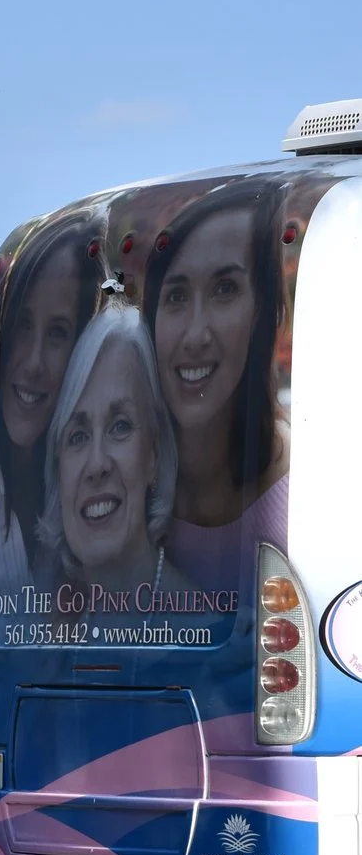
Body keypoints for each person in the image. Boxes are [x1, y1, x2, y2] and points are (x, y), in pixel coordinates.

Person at [143, 178, 290, 587]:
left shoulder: (305, 490)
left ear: (260, 312)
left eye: (225, 289)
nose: (195, 336)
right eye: (176, 296)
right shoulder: (127, 482)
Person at [0, 210, 98, 594]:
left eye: (58, 333)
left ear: (82, 348)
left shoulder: (92, 488)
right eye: (23, 326)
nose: (33, 363)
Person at [36, 306, 175, 592]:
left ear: (154, 455)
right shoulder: (35, 618)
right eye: (77, 436)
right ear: (58, 470)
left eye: (120, 426)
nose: (97, 464)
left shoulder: (206, 619)